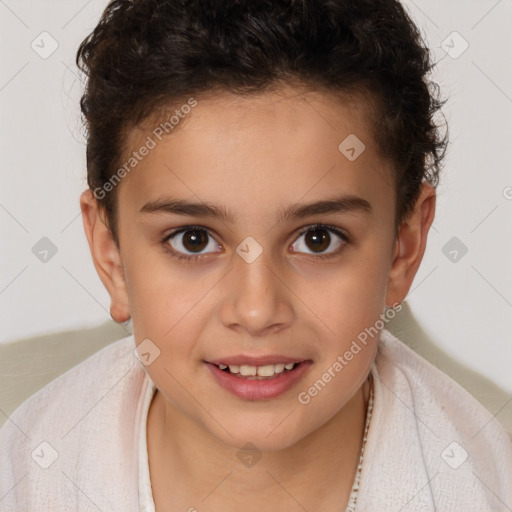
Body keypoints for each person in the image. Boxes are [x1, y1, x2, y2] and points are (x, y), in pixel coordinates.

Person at [1, 0, 511, 510]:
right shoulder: (23, 474)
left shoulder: (490, 480)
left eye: (318, 239)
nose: (256, 310)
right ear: (111, 255)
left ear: (404, 247)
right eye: (193, 240)